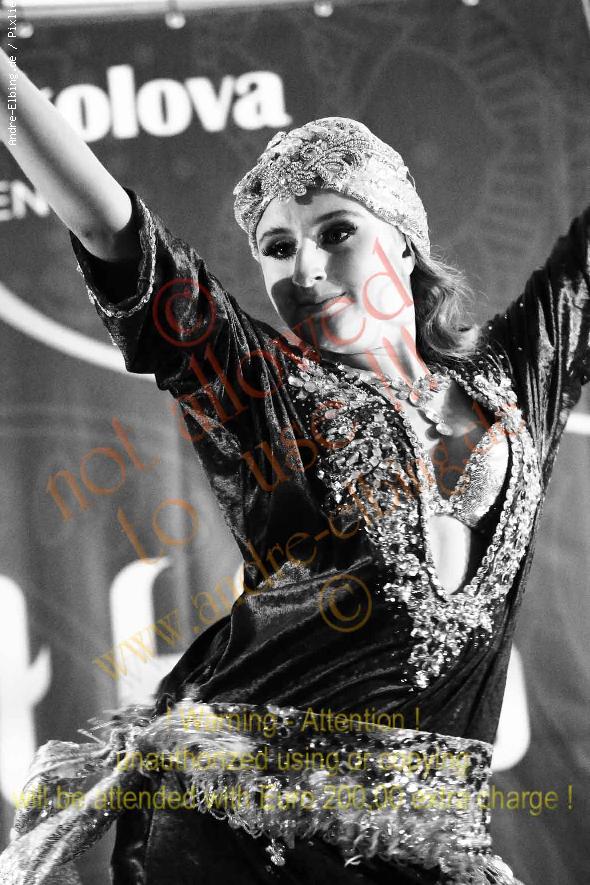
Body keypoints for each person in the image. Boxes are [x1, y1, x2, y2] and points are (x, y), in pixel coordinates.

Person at [1, 45, 588, 885]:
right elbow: (112, 232)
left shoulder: (519, 379)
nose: (305, 269)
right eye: (276, 248)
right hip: (244, 833)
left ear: (404, 243)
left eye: (335, 231)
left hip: (427, 844)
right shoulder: (264, 391)